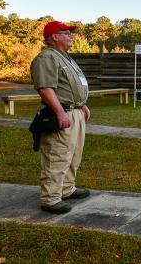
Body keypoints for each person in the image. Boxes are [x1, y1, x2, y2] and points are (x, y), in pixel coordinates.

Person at [30, 21, 91, 214]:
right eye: (67, 33)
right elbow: (45, 88)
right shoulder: (47, 57)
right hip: (61, 113)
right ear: (54, 37)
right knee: (57, 155)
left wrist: (81, 105)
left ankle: (66, 189)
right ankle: (50, 199)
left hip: (74, 112)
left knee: (73, 154)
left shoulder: (64, 58)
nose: (71, 36)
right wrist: (59, 111)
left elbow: (69, 86)